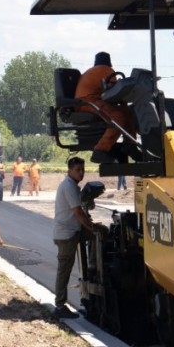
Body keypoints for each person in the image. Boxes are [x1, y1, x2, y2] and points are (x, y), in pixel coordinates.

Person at [75, 51, 137, 164]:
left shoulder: (94, 71)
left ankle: (130, 145)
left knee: (126, 112)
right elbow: (113, 90)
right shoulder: (105, 69)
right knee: (117, 117)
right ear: (109, 62)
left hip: (87, 101)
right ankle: (100, 151)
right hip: (87, 102)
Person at [52, 156, 94, 319]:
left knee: (98, 237)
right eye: (78, 170)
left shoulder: (72, 185)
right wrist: (92, 227)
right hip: (66, 234)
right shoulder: (69, 186)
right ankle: (60, 306)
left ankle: (91, 277)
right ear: (69, 171)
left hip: (71, 231)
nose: (81, 173)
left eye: (83, 170)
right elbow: (78, 212)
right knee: (64, 271)